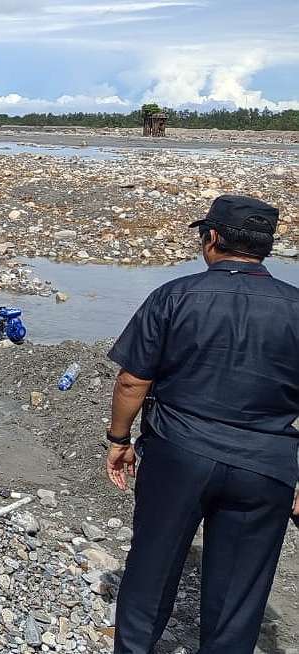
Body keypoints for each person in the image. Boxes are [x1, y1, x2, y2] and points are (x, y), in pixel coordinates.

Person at [106, 195, 299, 654]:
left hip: (179, 453)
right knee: (239, 593)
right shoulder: (294, 306)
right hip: (265, 462)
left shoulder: (175, 296)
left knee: (152, 564)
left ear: (212, 238)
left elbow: (133, 381)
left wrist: (119, 439)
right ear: (265, 247)